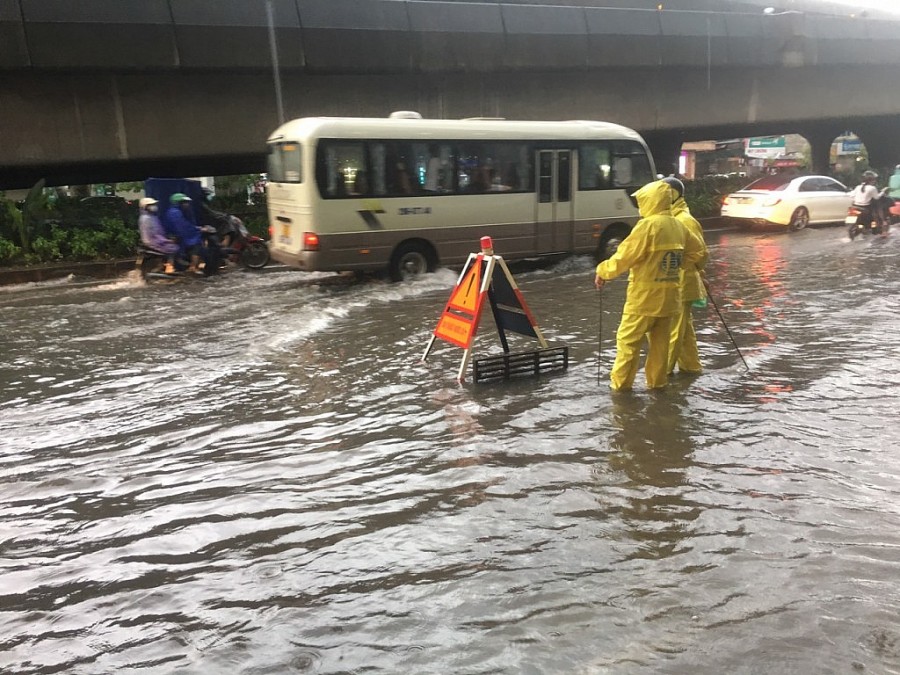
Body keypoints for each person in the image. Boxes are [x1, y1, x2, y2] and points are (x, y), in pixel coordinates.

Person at [593, 179, 705, 391]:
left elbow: (624, 257)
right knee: (660, 348)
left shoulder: (647, 226)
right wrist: (679, 265)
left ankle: (621, 389)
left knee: (628, 343)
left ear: (651, 200)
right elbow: (699, 253)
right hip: (669, 299)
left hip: (643, 299)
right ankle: (657, 386)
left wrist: (602, 271)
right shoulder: (678, 225)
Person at [662, 177, 709, 376]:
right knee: (684, 331)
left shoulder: (684, 220)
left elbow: (700, 253)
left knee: (673, 332)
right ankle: (691, 367)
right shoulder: (673, 218)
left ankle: (661, 375)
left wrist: (695, 270)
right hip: (679, 283)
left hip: (682, 283)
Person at [164, 193, 204, 274]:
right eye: (184, 202)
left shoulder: (176, 212)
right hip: (176, 236)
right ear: (178, 203)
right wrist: (196, 230)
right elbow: (182, 227)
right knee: (196, 245)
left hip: (176, 235)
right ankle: (193, 267)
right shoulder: (175, 213)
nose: (187, 204)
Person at [138, 197, 178, 274]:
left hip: (155, 240)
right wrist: (167, 240)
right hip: (152, 242)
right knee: (173, 248)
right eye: (151, 205)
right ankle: (169, 269)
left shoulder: (151, 217)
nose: (154, 206)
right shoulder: (146, 219)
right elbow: (153, 234)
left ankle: (161, 267)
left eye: (154, 204)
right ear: (145, 207)